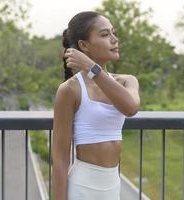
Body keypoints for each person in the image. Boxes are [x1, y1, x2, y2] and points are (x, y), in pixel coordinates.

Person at [52, 11, 140, 200]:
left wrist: (92, 69)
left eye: (113, 32)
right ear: (84, 45)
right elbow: (60, 158)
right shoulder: (70, 90)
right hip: (83, 186)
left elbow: (131, 108)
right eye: (104, 34)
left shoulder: (126, 82)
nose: (114, 39)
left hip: (112, 186)